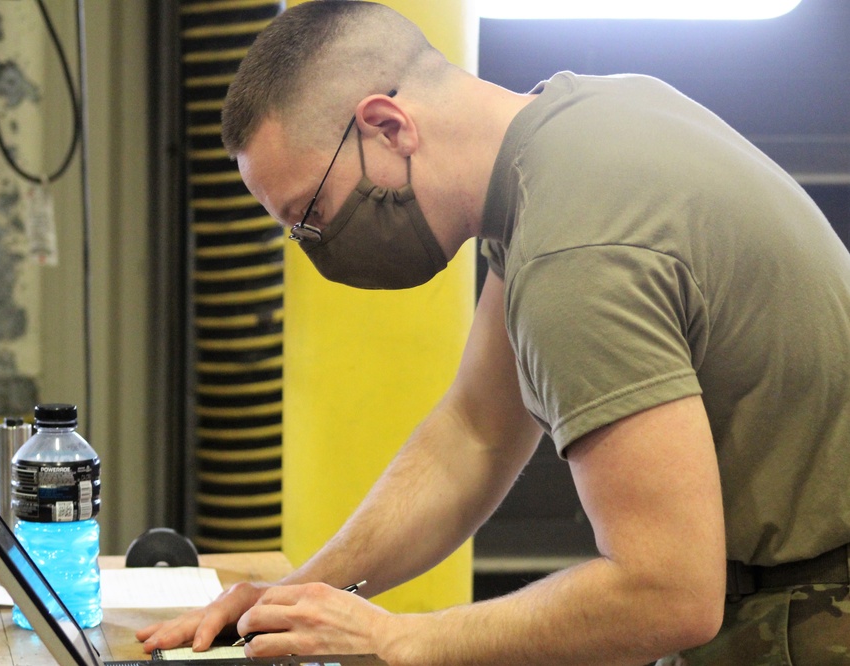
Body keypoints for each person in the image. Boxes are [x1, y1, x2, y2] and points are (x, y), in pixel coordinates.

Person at [137, 1, 850, 663]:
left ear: (388, 124)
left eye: (311, 214)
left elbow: (663, 594)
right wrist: (297, 595)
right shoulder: (584, 122)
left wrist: (394, 640)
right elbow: (473, 433)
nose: (316, 244)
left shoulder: (577, 252)